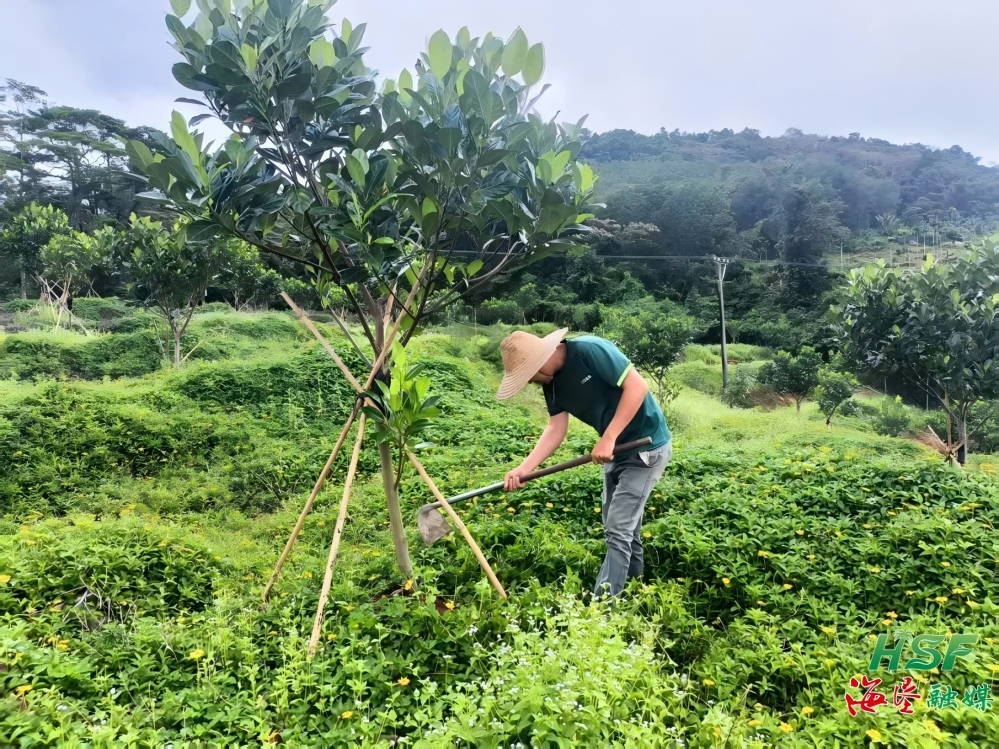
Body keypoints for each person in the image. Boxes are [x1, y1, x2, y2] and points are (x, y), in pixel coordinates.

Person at [496, 327, 672, 598]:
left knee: (618, 528)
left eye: (528, 376)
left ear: (540, 361)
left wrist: (608, 437)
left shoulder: (590, 350)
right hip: (616, 452)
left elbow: (637, 386)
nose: (530, 382)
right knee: (624, 528)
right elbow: (556, 427)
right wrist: (524, 468)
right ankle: (635, 590)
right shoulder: (550, 383)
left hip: (646, 447)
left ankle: (603, 606)